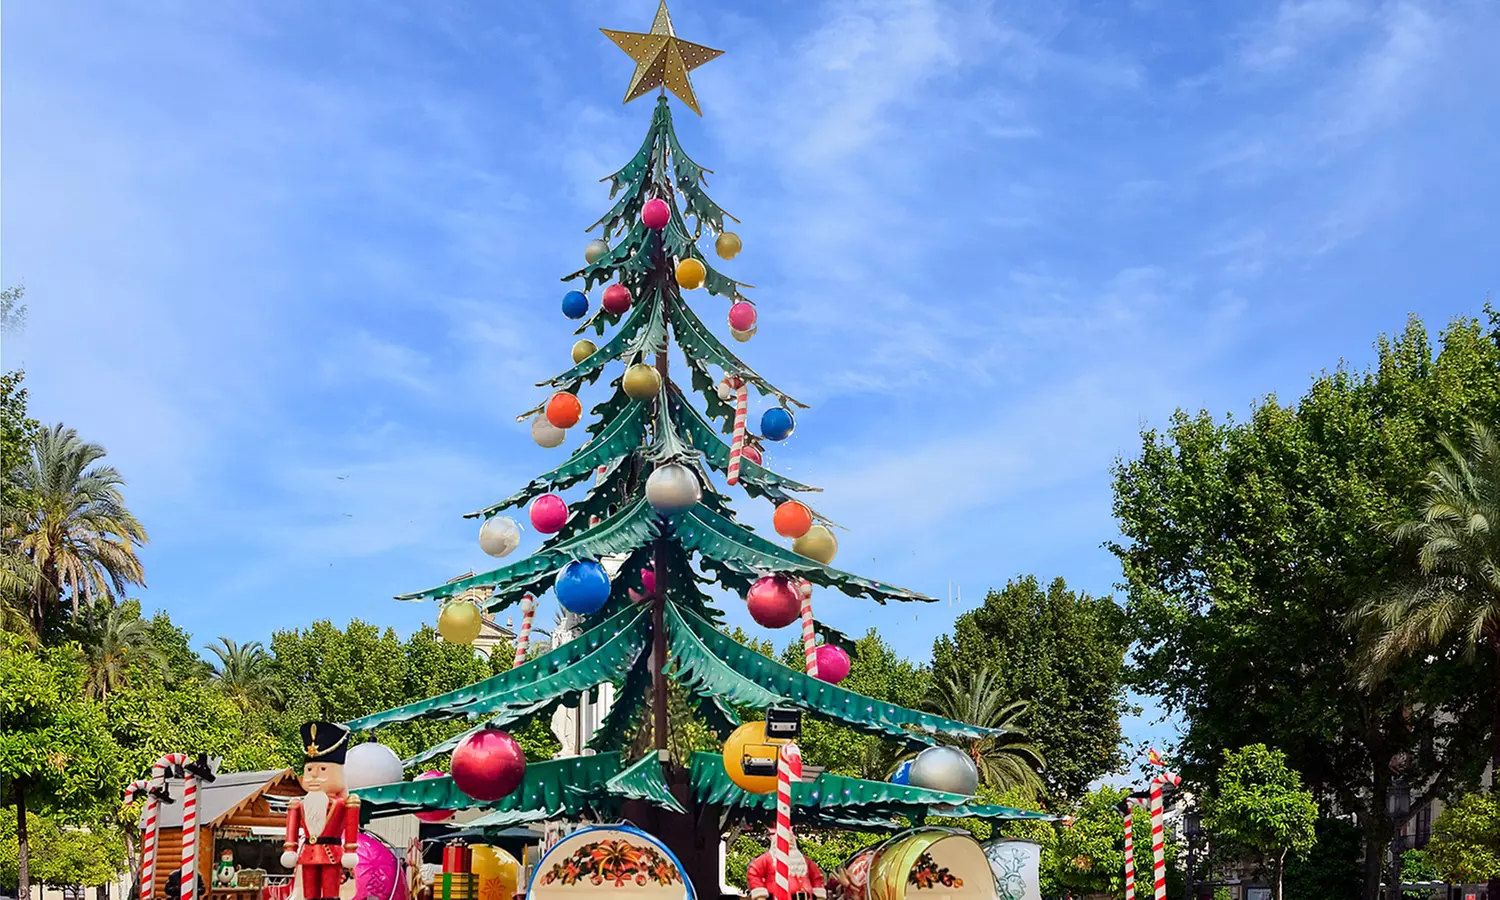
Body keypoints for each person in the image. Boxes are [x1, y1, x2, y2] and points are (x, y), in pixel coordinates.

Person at [281, 721, 360, 900]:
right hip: (307, 853)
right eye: (309, 770)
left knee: (330, 893)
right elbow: (291, 830)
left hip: (331, 852)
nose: (314, 775)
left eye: (323, 769)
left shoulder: (345, 803)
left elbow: (351, 827)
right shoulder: (298, 803)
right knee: (309, 894)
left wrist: (350, 850)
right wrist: (290, 848)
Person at [745, 836, 826, 900]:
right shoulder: (767, 859)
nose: (789, 842)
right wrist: (760, 894)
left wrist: (819, 895)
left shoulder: (805, 861)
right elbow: (753, 872)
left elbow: (817, 877)